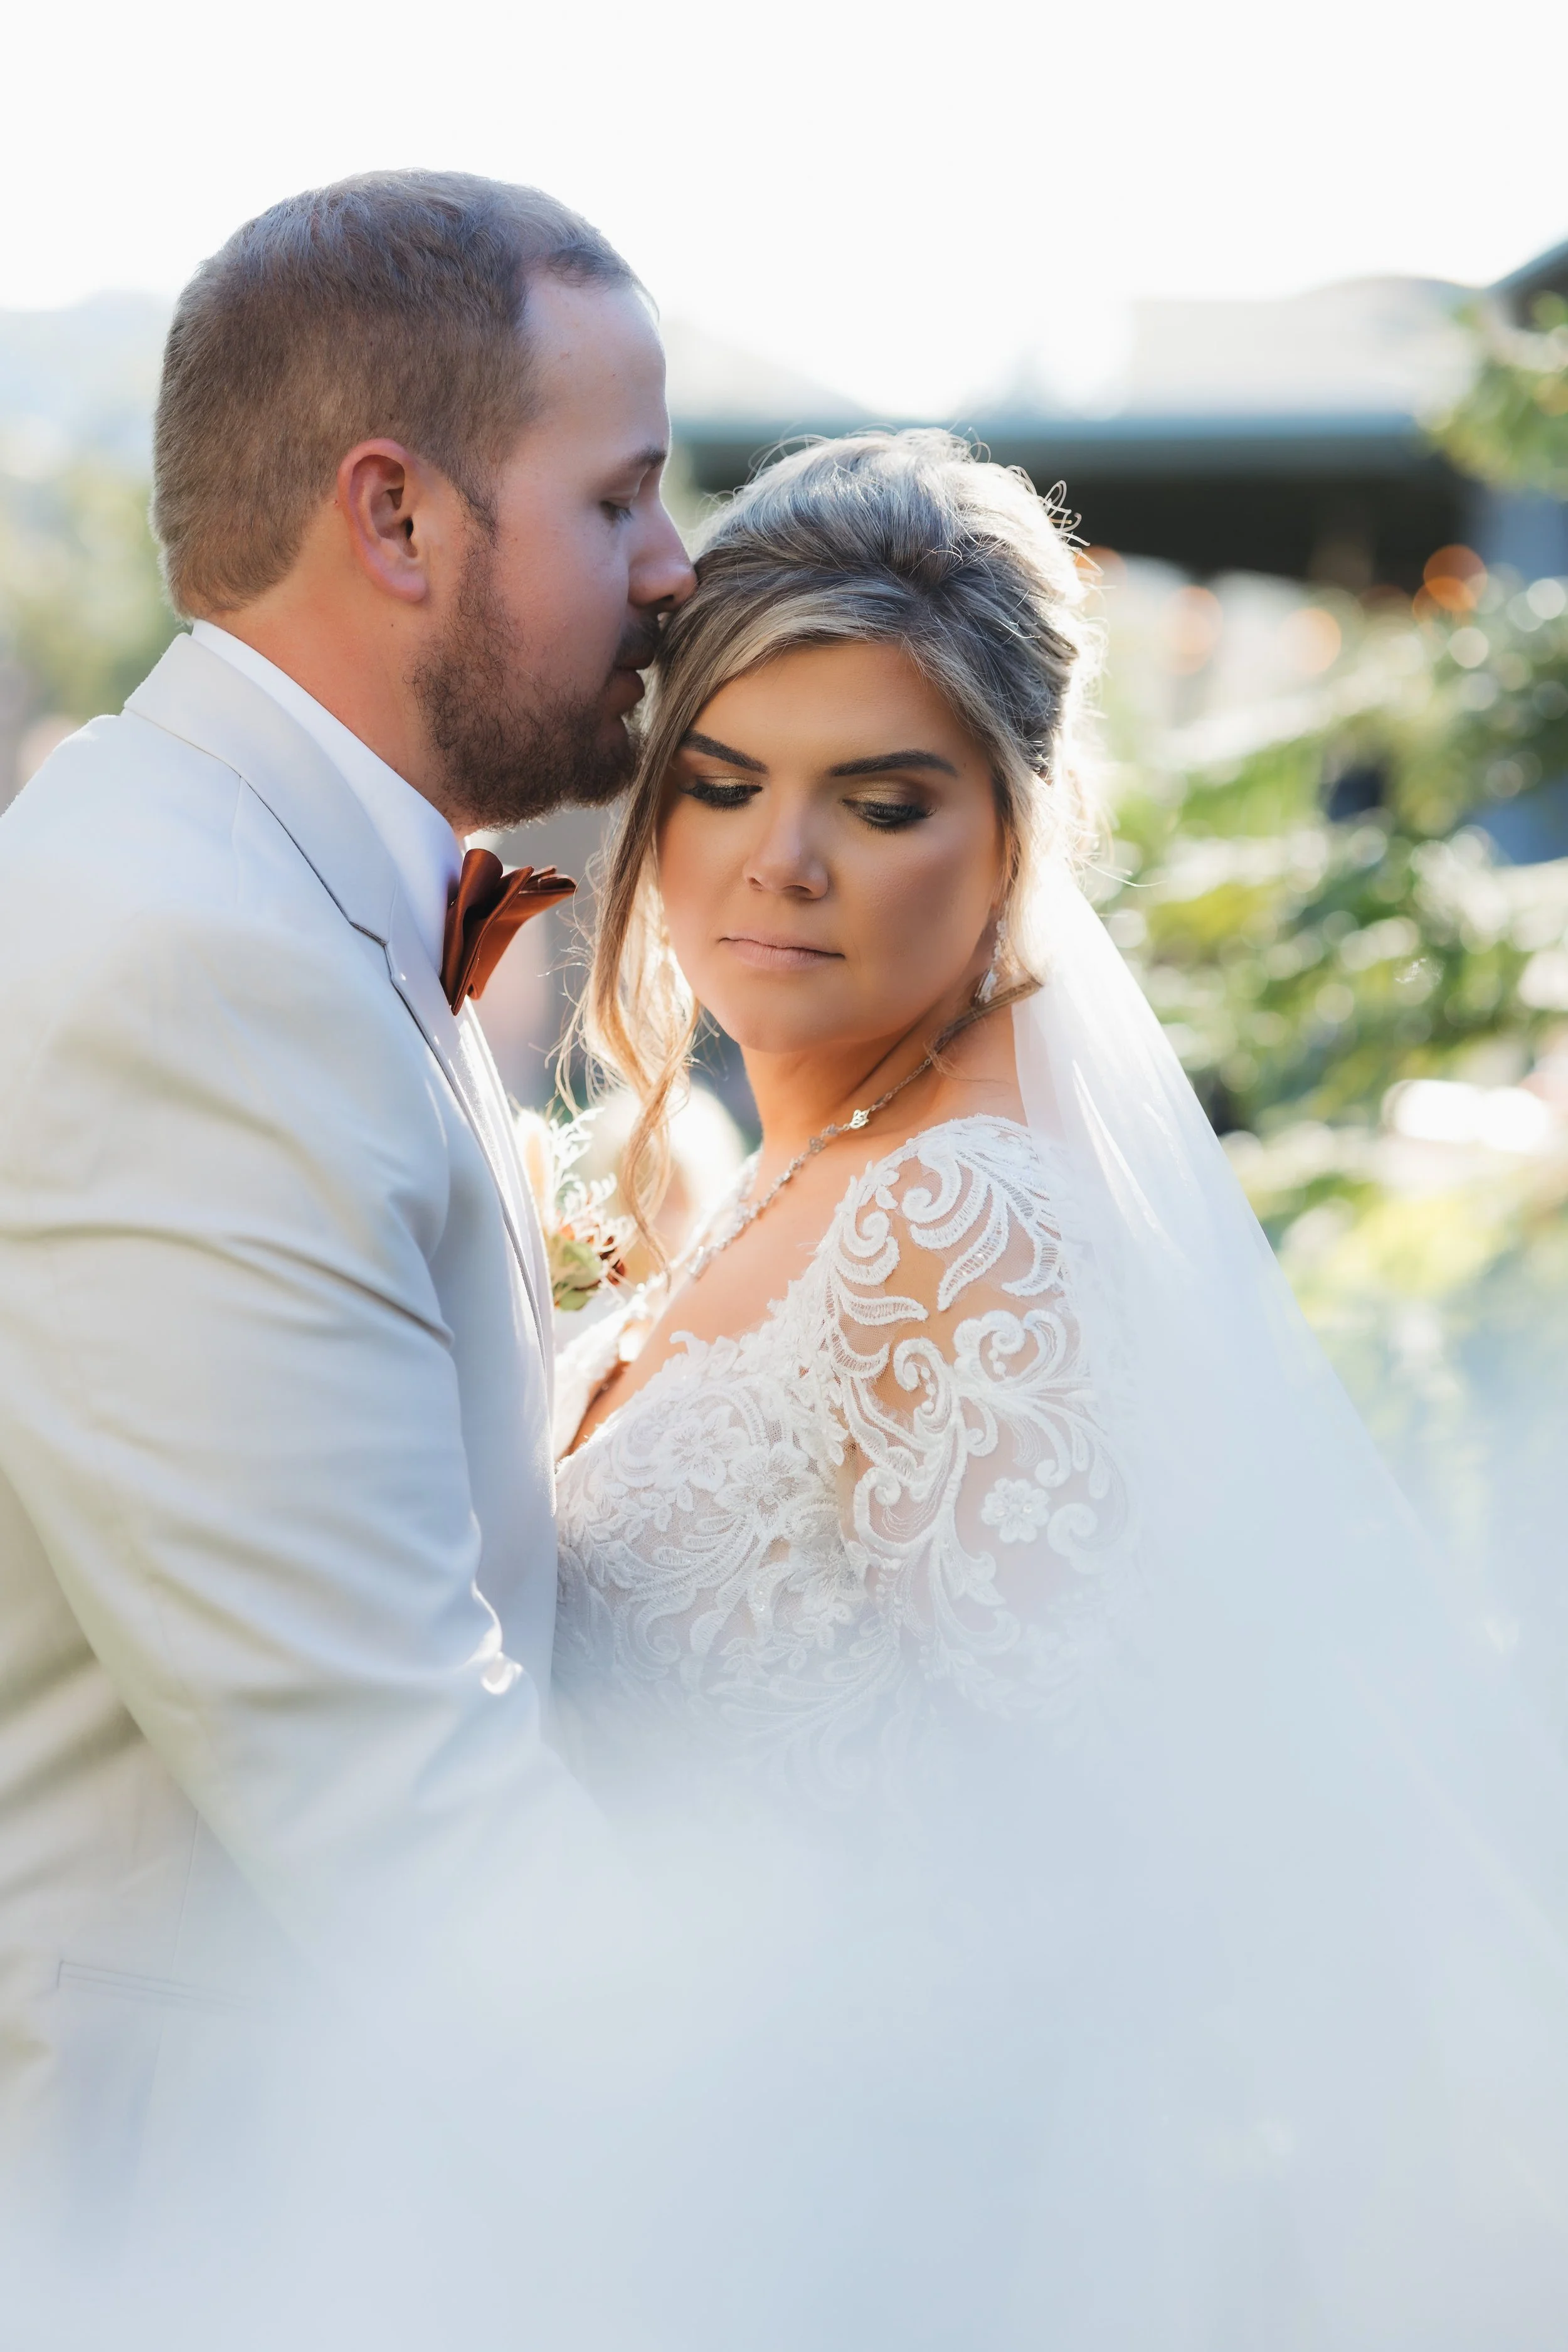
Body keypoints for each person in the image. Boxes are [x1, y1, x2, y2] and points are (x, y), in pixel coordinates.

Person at [553, 430, 1568, 2338]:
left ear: (1018, 831)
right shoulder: (794, 1159)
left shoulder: (954, 1217)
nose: (780, 859)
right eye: (721, 781)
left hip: (851, 2226)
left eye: (879, 797)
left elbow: (1109, 1868)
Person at [0, 168, 694, 2241]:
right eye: (618, 499)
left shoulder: (256, 885)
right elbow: (391, 1780)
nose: (674, 572)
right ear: (395, 517)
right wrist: (804, 2144)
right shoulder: (184, 958)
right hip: (188, 2220)